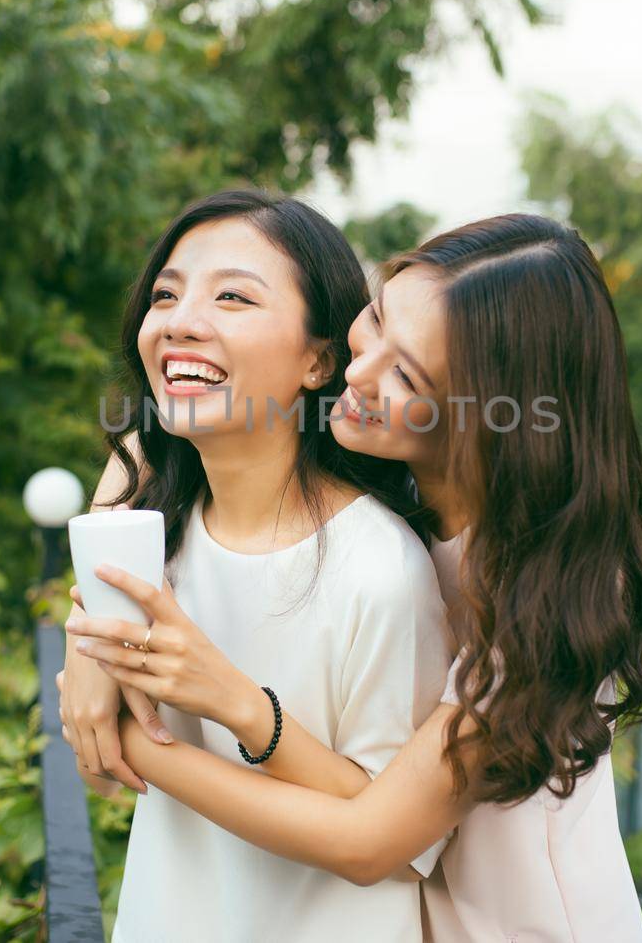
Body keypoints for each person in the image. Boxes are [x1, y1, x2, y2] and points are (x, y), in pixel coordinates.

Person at [64, 213, 642, 941]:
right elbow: (151, 437)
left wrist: (138, 738)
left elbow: (371, 840)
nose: (358, 374)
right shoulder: (403, 477)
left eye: (406, 373)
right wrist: (95, 636)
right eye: (373, 321)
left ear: (490, 417)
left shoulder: (541, 596)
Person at [62, 189, 452, 943]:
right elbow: (95, 766)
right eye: (166, 294)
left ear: (319, 361)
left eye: (234, 297)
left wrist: (223, 706)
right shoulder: (153, 531)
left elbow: (400, 847)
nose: (180, 320)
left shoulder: (379, 572)